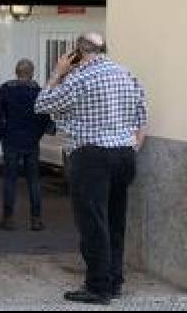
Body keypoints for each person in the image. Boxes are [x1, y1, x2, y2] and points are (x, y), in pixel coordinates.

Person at [34, 32, 147, 305]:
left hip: (91, 156)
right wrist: (130, 148)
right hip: (123, 155)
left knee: (93, 223)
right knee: (115, 221)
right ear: (104, 49)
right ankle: (114, 280)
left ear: (77, 52)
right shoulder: (127, 74)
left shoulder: (78, 78)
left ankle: (98, 287)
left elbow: (41, 104)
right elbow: (142, 116)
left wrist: (57, 73)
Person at [0, 58, 53, 231]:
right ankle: (36, 219)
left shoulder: (6, 89)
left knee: (10, 180)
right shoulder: (38, 92)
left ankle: (8, 219)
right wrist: (37, 136)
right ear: (32, 73)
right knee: (33, 181)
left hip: (11, 140)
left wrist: (1, 134)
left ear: (16, 72)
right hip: (31, 142)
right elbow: (45, 118)